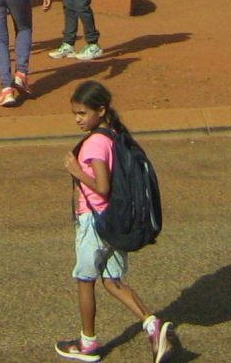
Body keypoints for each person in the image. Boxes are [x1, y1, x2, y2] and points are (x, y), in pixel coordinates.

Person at [57, 81, 176, 363]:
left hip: (95, 222)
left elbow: (102, 186)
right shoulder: (112, 136)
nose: (78, 119)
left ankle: (87, 345)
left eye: (83, 113)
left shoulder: (95, 143)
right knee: (112, 281)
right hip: (113, 220)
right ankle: (151, 324)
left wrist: (75, 169)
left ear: (101, 110)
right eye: (75, 113)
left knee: (85, 280)